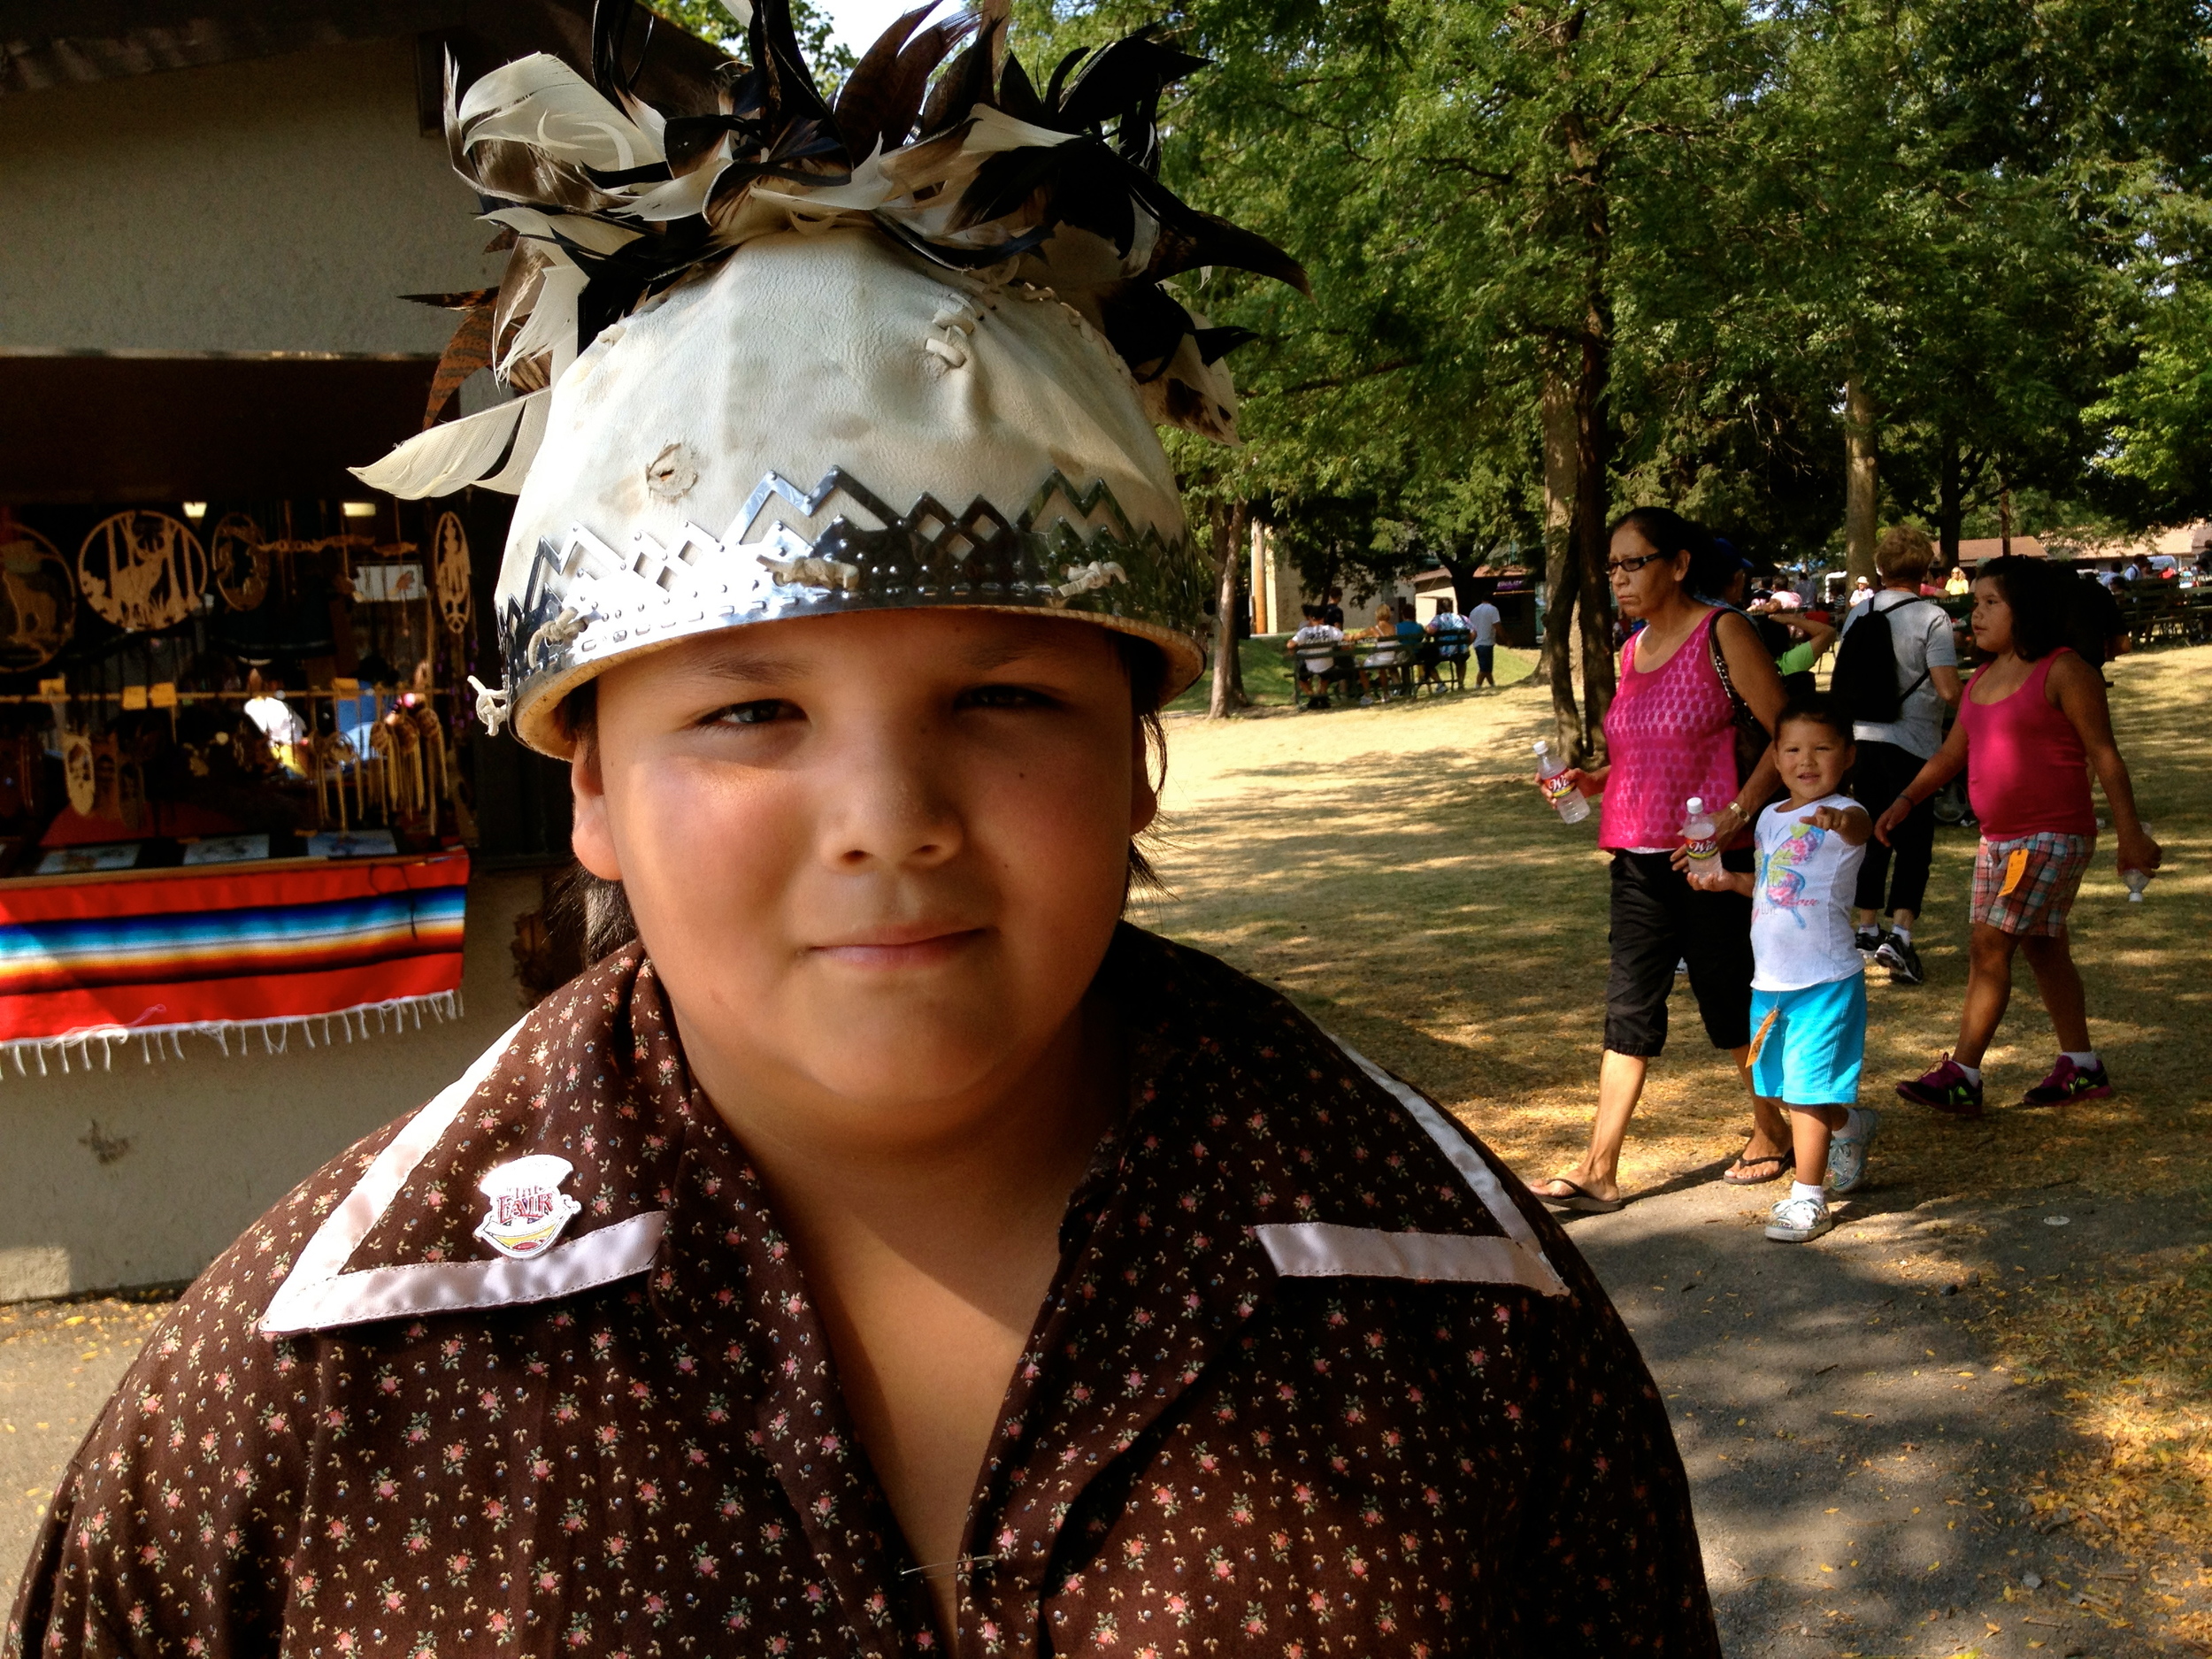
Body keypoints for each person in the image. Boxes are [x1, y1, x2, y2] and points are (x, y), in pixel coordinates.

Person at [8, 12, 1724, 1655]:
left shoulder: (1456, 1302)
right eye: (749, 713)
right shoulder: (304, 1383)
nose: (888, 820)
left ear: (1138, 749)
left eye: (1000, 700)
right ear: (586, 782)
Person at [1531, 507, 1793, 1211]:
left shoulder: (1723, 631)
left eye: (1632, 562)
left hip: (1711, 856)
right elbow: (1642, 753)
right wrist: (1595, 779)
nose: (1618, 577)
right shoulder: (1630, 648)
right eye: (1611, 566)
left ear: (1677, 564)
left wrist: (1739, 810)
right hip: (1637, 858)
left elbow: (1788, 733)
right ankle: (1599, 1168)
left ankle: (1772, 1131)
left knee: (1730, 1001)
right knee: (1629, 1009)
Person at [1882, 557, 2162, 1117]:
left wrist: (2131, 834)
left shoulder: (2065, 671)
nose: (1975, 614)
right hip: (1998, 840)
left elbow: (2105, 756)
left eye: (1991, 603)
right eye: (1975, 602)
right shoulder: (1982, 679)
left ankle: (1961, 1074)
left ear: (2027, 609)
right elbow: (1950, 754)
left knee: (1990, 947)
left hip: (2051, 836)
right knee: (2043, 947)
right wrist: (1906, 799)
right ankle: (2081, 1067)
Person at [1686, 695, 1879, 1243]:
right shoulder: (1770, 817)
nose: (1806, 760)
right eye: (1792, 749)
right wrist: (1729, 882)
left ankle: (1808, 1198)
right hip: (1768, 980)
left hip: (1824, 980)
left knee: (1805, 1088)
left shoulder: (1849, 810)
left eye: (1822, 749)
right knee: (1778, 1086)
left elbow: (1858, 830)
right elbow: (1771, 882)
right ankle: (1851, 1126)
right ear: (1775, 756)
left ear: (1848, 755)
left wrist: (1839, 819)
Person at [1836, 526, 1961, 986]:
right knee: (1912, 843)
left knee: (1869, 833)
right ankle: (1901, 935)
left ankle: (1865, 927)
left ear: (1881, 569)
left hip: (1860, 740)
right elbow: (1948, 689)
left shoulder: (1858, 613)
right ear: (1925, 568)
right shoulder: (1933, 618)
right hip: (1912, 744)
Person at [1286, 603, 1346, 708]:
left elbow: (1291, 645)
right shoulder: (1329, 629)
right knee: (1325, 675)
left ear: (1311, 618)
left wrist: (1290, 642)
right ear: (1323, 618)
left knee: (1301, 677)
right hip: (1327, 665)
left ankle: (1313, 696)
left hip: (1311, 666)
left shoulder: (1304, 632)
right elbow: (1345, 638)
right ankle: (1322, 696)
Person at [1427, 602, 1472, 689]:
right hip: (1461, 650)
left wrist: (1426, 628)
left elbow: (1431, 631)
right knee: (1461, 661)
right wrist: (1467, 644)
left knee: (1427, 665)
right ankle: (1460, 683)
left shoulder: (1439, 619)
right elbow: (1472, 632)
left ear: (1439, 608)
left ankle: (1440, 685)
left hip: (1444, 652)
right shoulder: (1462, 618)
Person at [1470, 588, 1503, 687]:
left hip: (1477, 642)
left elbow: (1471, 628)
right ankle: (1477, 686)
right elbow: (1497, 626)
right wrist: (1505, 638)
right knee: (1484, 668)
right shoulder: (1493, 610)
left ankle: (1492, 685)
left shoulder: (1473, 611)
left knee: (1487, 667)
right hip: (1487, 641)